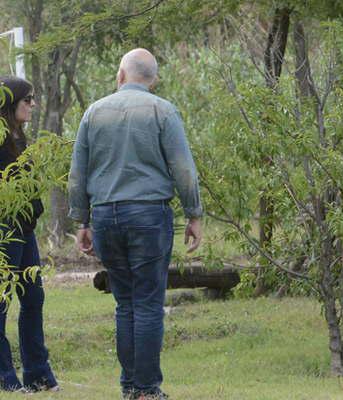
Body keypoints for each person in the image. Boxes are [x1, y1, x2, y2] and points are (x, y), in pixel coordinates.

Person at [68, 48, 202, 400]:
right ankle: (146, 389)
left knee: (125, 303)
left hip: (106, 216)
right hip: (148, 214)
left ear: (120, 75)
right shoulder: (163, 110)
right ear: (154, 80)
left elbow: (77, 174)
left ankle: (130, 386)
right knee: (147, 304)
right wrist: (194, 214)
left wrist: (81, 220)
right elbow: (184, 170)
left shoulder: (93, 113)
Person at [0, 76, 59, 392]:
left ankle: (38, 373)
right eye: (28, 99)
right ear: (11, 104)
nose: (33, 105)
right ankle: (5, 376)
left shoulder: (20, 139)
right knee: (1, 301)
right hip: (4, 231)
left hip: (25, 230)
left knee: (33, 298)